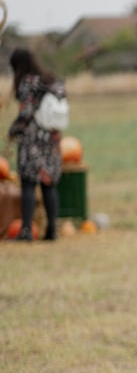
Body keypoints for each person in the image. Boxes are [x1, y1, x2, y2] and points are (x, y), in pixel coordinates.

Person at [7, 48, 65, 241]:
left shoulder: (27, 83)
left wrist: (13, 131)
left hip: (33, 139)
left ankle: (26, 231)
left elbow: (26, 113)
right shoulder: (52, 81)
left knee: (28, 184)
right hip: (51, 139)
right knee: (48, 184)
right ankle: (52, 230)